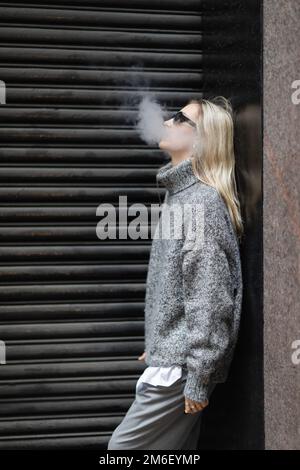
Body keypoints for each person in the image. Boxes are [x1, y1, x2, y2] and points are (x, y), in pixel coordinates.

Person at [107, 97, 243, 450]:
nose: (167, 121)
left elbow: (210, 298)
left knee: (121, 451)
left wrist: (198, 376)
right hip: (174, 360)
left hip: (180, 372)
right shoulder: (180, 197)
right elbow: (176, 287)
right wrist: (159, 339)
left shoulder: (201, 203)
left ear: (202, 140)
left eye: (180, 118)